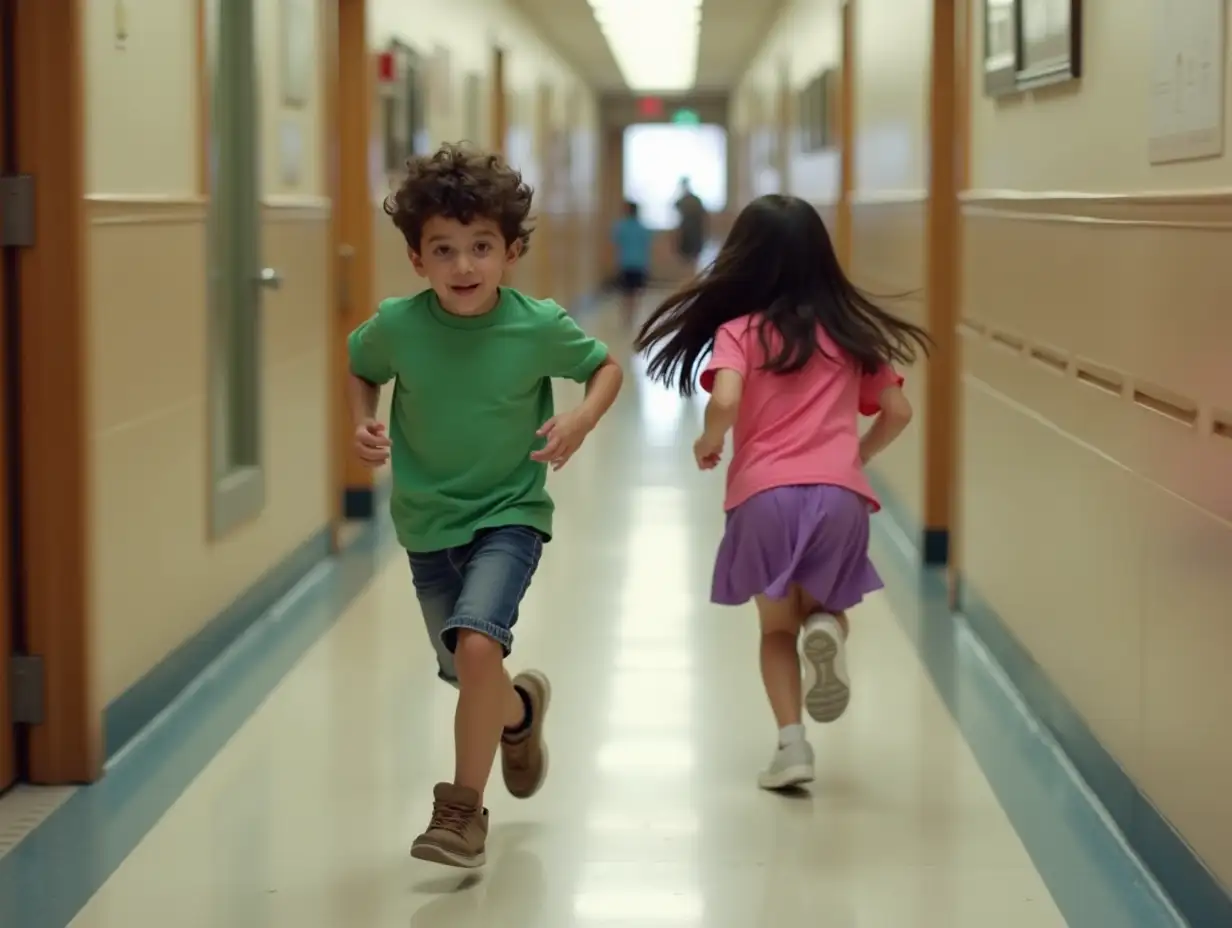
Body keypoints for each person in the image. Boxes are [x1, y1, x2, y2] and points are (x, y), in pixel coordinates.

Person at [347, 143, 624, 867]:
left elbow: (604, 367)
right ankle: (522, 712)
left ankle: (461, 814)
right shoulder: (399, 326)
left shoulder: (535, 325)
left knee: (476, 647)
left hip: (510, 512)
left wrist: (580, 419)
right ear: (416, 259)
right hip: (426, 523)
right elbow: (360, 366)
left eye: (480, 248)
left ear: (512, 251)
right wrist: (361, 420)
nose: (463, 267)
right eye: (443, 250)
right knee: (473, 671)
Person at [633, 194, 930, 791]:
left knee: (774, 630)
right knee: (825, 610)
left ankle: (792, 747)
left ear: (743, 259)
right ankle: (827, 632)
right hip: (841, 497)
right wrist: (859, 456)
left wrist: (709, 440)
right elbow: (898, 410)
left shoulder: (739, 331)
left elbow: (725, 399)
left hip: (763, 496)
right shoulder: (851, 333)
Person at [610, 199, 653, 327]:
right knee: (636, 291)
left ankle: (625, 317)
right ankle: (632, 315)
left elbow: (615, 244)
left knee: (625, 292)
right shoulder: (642, 228)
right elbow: (647, 246)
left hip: (625, 263)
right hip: (640, 264)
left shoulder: (621, 227)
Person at [673, 177, 707, 276]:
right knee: (689, 261)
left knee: (691, 261)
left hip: (692, 233)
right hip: (690, 233)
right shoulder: (693, 200)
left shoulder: (689, 200)